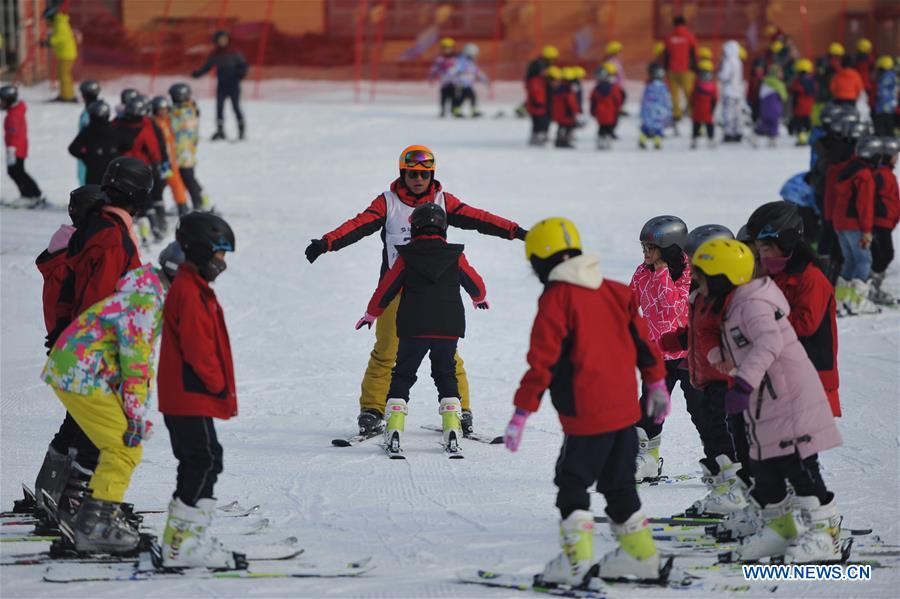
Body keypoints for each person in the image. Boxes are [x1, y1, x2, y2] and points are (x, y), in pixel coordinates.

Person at [304, 145, 525, 436]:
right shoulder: (388, 202)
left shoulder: (444, 201)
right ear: (402, 173)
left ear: (431, 174)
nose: (418, 179)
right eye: (412, 173)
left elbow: (480, 218)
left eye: (423, 174)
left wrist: (515, 231)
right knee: (386, 350)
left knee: (448, 353)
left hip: (432, 290)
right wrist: (326, 242)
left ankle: (462, 409)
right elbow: (357, 225)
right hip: (396, 287)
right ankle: (372, 410)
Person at [504, 217, 670, 585]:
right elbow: (646, 345)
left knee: (571, 481)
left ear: (542, 261)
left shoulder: (556, 299)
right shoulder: (615, 290)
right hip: (625, 415)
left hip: (586, 416)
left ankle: (576, 564)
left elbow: (541, 363)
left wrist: (521, 413)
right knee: (619, 485)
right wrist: (656, 383)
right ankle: (642, 556)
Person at [692, 239, 844, 563]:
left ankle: (824, 535)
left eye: (703, 278)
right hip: (767, 401)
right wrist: (719, 354)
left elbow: (769, 343)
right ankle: (780, 529)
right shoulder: (731, 304)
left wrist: (743, 384)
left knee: (798, 466)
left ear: (723, 277)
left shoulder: (753, 303)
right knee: (764, 467)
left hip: (789, 397)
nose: (699, 286)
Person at [39, 158, 151, 532]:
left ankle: (56, 489)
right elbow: (100, 298)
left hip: (83, 342)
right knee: (104, 428)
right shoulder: (110, 235)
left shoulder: (99, 230)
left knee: (81, 420)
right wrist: (96, 343)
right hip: (95, 346)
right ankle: (79, 499)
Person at [41, 254, 172, 553]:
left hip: (79, 367)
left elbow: (121, 355)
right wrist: (136, 415)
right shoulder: (146, 304)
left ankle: (78, 509)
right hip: (80, 371)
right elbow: (136, 363)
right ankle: (95, 524)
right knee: (124, 445)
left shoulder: (145, 294)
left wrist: (130, 411)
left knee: (111, 437)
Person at [357, 203, 487, 456]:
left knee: (403, 374)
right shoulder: (454, 255)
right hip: (448, 326)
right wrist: (478, 298)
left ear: (414, 228)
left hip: (413, 327)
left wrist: (372, 313)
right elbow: (476, 284)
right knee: (446, 373)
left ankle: (394, 428)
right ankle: (452, 427)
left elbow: (387, 288)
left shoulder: (406, 256)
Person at [158, 212, 244, 570]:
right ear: (200, 251)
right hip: (188, 392)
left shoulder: (194, 286)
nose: (222, 264)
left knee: (208, 457)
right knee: (200, 460)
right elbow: (197, 348)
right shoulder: (189, 291)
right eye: (220, 255)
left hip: (191, 393)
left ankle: (190, 538)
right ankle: (178, 547)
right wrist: (218, 384)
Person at [658, 225, 750, 519]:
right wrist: (681, 339)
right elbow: (704, 331)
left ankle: (739, 491)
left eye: (697, 263)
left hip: (730, 383)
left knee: (730, 437)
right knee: (711, 434)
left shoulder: (737, 300)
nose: (691, 270)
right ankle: (725, 490)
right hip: (706, 380)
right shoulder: (702, 294)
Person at [745, 202, 841, 417]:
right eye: (759, 250)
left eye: (766, 249)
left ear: (786, 243)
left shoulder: (811, 278)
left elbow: (805, 324)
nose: (763, 256)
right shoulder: (775, 275)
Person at [629, 215, 699, 482]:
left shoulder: (689, 275)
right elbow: (629, 300)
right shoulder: (641, 272)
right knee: (649, 409)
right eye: (644, 248)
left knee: (703, 412)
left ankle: (725, 462)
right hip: (657, 354)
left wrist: (661, 273)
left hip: (688, 356)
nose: (646, 254)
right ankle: (646, 460)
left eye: (651, 248)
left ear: (670, 249)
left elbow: (672, 307)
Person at [829, 119, 879, 314]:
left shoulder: (849, 169)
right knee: (864, 261)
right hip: (854, 224)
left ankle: (841, 300)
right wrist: (866, 231)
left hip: (840, 223)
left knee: (850, 261)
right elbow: (864, 206)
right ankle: (857, 301)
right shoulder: (864, 175)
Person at [112, 96, 169, 242]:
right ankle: (153, 226)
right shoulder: (145, 127)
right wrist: (157, 163)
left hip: (122, 167)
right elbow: (153, 148)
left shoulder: (116, 124)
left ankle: (136, 229)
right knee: (146, 198)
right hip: (140, 168)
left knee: (128, 199)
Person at [192, 30, 248, 141]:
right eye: (220, 39)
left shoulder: (234, 52)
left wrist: (240, 75)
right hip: (221, 85)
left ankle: (241, 131)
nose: (223, 41)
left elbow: (243, 65)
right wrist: (198, 73)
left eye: (224, 39)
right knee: (219, 108)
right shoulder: (215, 54)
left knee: (236, 107)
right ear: (216, 41)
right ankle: (220, 131)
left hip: (233, 85)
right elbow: (207, 67)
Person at [862, 136, 898, 305]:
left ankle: (872, 287)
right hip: (879, 222)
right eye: (895, 154)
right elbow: (870, 196)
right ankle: (871, 287)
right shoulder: (880, 174)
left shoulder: (887, 174)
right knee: (885, 253)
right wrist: (882, 211)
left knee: (880, 254)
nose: (897, 157)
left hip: (887, 222)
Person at [169, 83, 211, 212]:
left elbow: (174, 125)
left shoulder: (184, 112)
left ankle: (199, 202)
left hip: (183, 152)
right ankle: (199, 200)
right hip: (186, 150)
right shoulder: (189, 109)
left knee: (187, 178)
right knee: (186, 178)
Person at [68, 101, 131, 185]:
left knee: (94, 196)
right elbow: (128, 144)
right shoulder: (114, 129)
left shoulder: (88, 130)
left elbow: (73, 148)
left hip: (93, 174)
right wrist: (116, 154)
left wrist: (87, 157)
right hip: (113, 173)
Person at [1, 85, 43, 206]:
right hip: (19, 147)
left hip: (16, 149)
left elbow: (13, 134)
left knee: (15, 172)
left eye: (2, 100)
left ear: (9, 100)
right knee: (18, 171)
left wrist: (11, 150)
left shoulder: (13, 115)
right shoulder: (16, 111)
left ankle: (29, 195)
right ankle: (34, 193)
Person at [150, 96, 190, 217]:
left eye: (165, 109)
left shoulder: (169, 120)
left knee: (176, 183)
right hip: (162, 160)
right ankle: (157, 207)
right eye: (160, 109)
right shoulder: (154, 122)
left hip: (171, 159)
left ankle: (182, 206)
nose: (163, 112)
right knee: (159, 185)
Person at [663, 15, 698, 131]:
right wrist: (695, 68)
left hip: (672, 70)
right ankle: (694, 112)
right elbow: (694, 52)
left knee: (675, 94)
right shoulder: (689, 36)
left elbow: (666, 54)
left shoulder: (669, 37)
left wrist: (666, 68)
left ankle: (676, 114)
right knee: (689, 93)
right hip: (687, 71)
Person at [42, 2, 78, 102]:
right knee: (62, 74)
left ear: (51, 17)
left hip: (67, 54)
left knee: (64, 75)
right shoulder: (59, 22)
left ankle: (68, 96)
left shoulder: (60, 24)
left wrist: (49, 42)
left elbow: (60, 37)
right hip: (65, 54)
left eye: (47, 20)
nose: (47, 23)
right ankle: (64, 94)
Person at [524, 45, 558, 146]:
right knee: (539, 117)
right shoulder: (536, 78)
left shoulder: (540, 73)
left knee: (544, 115)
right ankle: (539, 135)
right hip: (539, 98)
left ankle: (541, 134)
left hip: (543, 98)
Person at [590, 62, 624, 150]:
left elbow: (592, 99)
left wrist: (593, 111)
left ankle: (601, 140)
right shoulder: (614, 88)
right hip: (611, 112)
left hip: (600, 112)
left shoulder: (597, 88)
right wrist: (619, 109)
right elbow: (618, 100)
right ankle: (607, 140)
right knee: (609, 127)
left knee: (601, 127)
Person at [639, 64, 673, 150]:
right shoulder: (663, 87)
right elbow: (666, 99)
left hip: (649, 109)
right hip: (659, 110)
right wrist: (668, 111)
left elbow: (644, 98)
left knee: (646, 126)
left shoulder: (649, 86)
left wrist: (643, 109)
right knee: (658, 125)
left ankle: (642, 139)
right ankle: (657, 141)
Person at [450, 43, 488, 118]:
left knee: (463, 97)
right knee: (472, 96)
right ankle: (473, 110)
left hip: (467, 83)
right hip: (462, 83)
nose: (476, 55)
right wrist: (453, 76)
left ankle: (456, 109)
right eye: (475, 54)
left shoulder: (471, 62)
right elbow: (454, 69)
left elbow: (476, 71)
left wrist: (484, 78)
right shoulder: (461, 61)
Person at [718, 40, 745, 143]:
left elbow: (724, 76)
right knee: (737, 114)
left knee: (728, 113)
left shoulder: (728, 61)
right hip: (738, 91)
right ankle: (738, 132)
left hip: (729, 91)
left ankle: (728, 133)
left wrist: (719, 75)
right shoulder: (738, 61)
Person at [755, 64, 787, 147]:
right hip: (774, 106)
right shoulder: (777, 83)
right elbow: (784, 96)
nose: (782, 74)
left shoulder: (766, 81)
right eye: (780, 72)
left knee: (766, 123)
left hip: (765, 107)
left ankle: (757, 134)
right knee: (773, 122)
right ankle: (772, 139)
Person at [77, 81, 101, 184]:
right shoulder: (97, 108)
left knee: (86, 177)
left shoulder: (92, 111)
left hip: (89, 149)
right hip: (87, 148)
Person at [690, 59, 718, 149]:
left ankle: (694, 140)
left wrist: (692, 105)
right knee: (709, 125)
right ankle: (711, 140)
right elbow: (715, 98)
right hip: (707, 109)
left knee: (696, 125)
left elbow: (692, 96)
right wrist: (713, 108)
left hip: (698, 109)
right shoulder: (712, 85)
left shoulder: (697, 84)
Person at [789, 59, 817, 146]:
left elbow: (791, 90)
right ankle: (809, 138)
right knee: (807, 123)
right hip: (809, 107)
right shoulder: (813, 82)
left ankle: (801, 140)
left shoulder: (797, 82)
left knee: (799, 124)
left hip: (799, 107)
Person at [551, 67, 580, 148]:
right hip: (567, 112)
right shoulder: (568, 89)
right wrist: (575, 110)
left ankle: (559, 140)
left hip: (559, 112)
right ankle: (564, 141)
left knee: (561, 127)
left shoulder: (558, 88)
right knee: (567, 127)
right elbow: (571, 101)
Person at [428, 37, 457, 117]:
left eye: (448, 48)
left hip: (454, 82)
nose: (446, 50)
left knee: (454, 96)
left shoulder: (455, 58)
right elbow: (435, 69)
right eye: (444, 48)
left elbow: (460, 68)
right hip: (444, 82)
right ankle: (443, 110)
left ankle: (453, 110)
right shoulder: (440, 59)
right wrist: (432, 77)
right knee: (443, 97)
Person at [872, 55, 898, 136]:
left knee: (881, 133)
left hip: (881, 109)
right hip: (891, 108)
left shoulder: (883, 78)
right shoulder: (894, 76)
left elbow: (880, 94)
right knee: (890, 132)